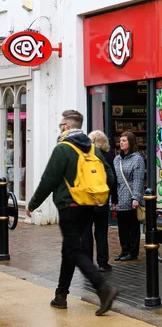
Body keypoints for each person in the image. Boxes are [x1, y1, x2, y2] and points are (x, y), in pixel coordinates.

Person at [25, 110, 118, 315]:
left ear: (66, 127)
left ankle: (103, 288)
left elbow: (48, 180)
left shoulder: (63, 149)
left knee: (74, 250)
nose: (59, 129)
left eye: (60, 125)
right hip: (89, 206)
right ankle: (61, 295)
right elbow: (110, 178)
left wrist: (32, 204)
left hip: (69, 208)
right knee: (70, 248)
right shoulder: (94, 149)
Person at [82, 130, 118, 272]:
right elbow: (112, 178)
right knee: (101, 232)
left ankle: (88, 263)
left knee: (86, 232)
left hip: (87, 199)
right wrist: (113, 197)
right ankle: (103, 262)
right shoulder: (108, 156)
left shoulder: (85, 156)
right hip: (102, 199)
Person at [113, 131, 145, 261]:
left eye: (124, 140)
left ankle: (133, 252)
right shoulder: (117, 159)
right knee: (122, 228)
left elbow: (138, 179)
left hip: (131, 197)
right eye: (120, 140)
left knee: (133, 227)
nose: (121, 143)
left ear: (131, 143)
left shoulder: (137, 159)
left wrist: (136, 197)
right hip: (120, 197)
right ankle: (124, 250)